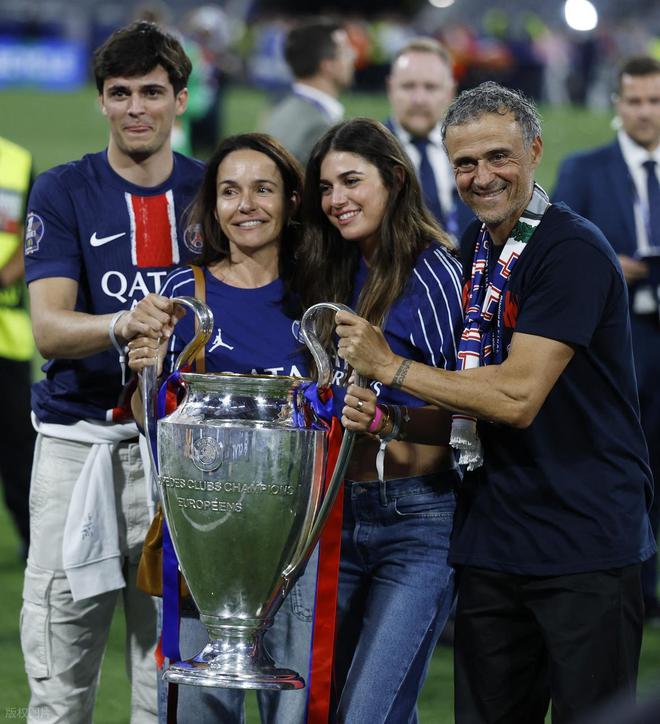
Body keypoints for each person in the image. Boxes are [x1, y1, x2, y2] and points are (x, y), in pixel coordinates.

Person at [332, 83, 655, 723]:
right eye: (465, 163)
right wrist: (393, 419)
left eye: (498, 157)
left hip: (582, 542)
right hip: (494, 537)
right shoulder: (479, 250)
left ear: (534, 151)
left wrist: (390, 367)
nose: (482, 177)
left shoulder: (570, 251)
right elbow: (473, 404)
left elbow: (516, 396)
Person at [21, 21, 204, 724]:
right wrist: (122, 324)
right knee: (60, 677)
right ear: (100, 99)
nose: (135, 108)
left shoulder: (213, 191)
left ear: (180, 99)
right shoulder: (63, 190)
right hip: (80, 448)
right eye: (120, 92)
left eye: (152, 92)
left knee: (169, 684)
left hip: (185, 454)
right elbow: (48, 326)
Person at [126, 133, 316, 724]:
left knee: (297, 711)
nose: (246, 205)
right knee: (199, 712)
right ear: (212, 205)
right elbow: (151, 421)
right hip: (206, 542)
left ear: (291, 201)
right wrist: (145, 374)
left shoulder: (319, 295)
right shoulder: (182, 294)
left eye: (263, 190)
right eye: (230, 192)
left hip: (297, 554)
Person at [296, 116, 464, 723]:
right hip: (336, 512)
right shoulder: (333, 266)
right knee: (332, 707)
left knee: (368, 711)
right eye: (325, 187)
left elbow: (469, 416)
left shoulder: (436, 272)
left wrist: (390, 420)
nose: (335, 199)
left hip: (417, 518)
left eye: (351, 181)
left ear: (394, 179)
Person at [552, 55, 660, 624]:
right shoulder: (585, 169)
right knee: (619, 458)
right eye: (635, 100)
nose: (645, 112)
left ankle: (649, 582)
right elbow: (559, 249)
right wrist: (610, 263)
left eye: (655, 101)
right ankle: (620, 576)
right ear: (618, 106)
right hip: (620, 343)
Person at [384, 37, 474, 248]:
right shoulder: (368, 152)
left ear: (450, 92)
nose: (419, 99)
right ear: (390, 89)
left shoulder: (472, 151)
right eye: (408, 86)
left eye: (430, 87)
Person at [0, 135, 36, 560]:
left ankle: (35, 544)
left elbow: (34, 235)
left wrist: (5, 275)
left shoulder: (16, 162)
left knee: (19, 451)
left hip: (7, 335)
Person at [262, 18, 356, 164]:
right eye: (346, 52)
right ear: (328, 65)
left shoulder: (277, 111)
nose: (354, 56)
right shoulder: (319, 128)